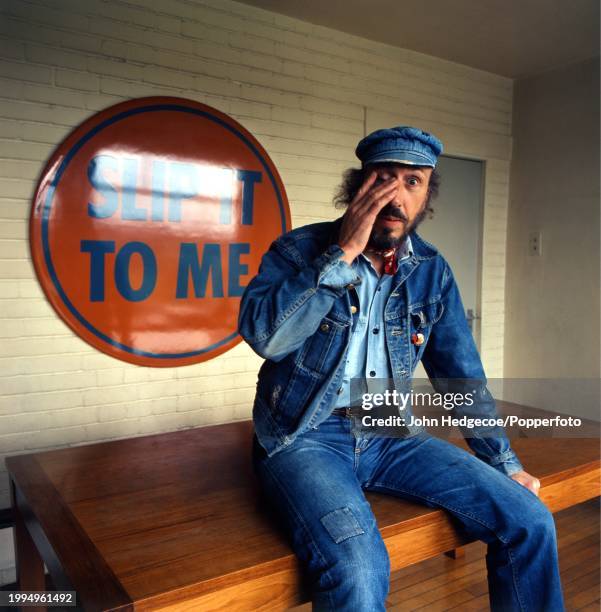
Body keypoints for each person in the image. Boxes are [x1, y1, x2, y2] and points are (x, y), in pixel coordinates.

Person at [237, 126, 565, 611]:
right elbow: (267, 337)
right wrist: (342, 254)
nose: (395, 196)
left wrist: (503, 462)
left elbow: (461, 375)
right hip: (305, 436)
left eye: (412, 182)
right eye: (383, 178)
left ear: (427, 196)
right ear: (357, 186)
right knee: (358, 568)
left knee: (530, 520)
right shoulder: (296, 251)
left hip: (389, 430)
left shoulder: (432, 270)